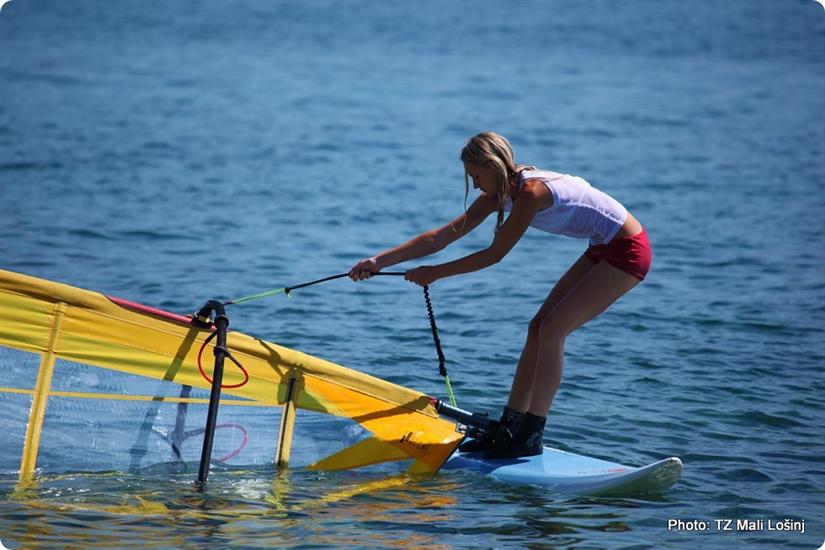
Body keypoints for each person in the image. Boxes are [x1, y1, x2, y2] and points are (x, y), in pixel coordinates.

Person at [348, 131, 652, 459]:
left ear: (493, 166)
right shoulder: (500, 194)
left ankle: (531, 435)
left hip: (628, 250)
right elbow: (438, 239)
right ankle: (510, 427)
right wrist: (378, 261)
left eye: (477, 176)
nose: (476, 185)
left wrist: (434, 273)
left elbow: (495, 254)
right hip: (602, 246)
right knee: (537, 327)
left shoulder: (531, 193)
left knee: (553, 330)